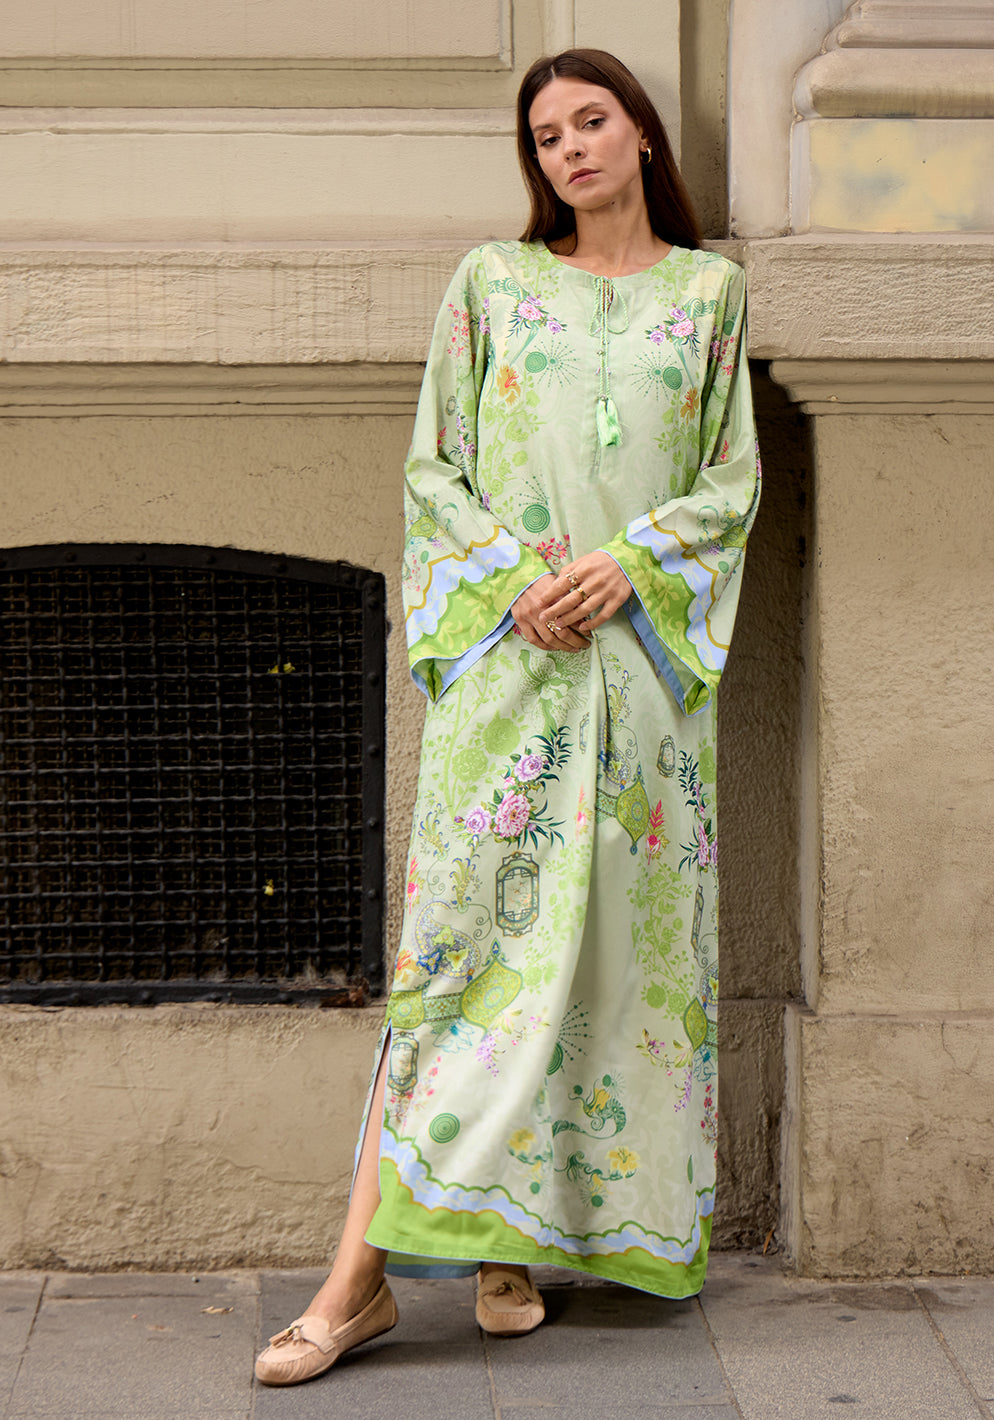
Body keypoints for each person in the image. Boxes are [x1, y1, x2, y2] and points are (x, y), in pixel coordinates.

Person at [254, 46, 760, 1387]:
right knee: (463, 964)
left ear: (641, 136)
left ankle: (505, 1252)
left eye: (592, 121)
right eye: (546, 135)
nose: (571, 148)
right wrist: (513, 582)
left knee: (601, 966)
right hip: (509, 667)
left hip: (640, 683)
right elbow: (435, 468)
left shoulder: (708, 296)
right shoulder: (492, 282)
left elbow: (730, 483)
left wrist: (632, 564)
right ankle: (355, 1283)